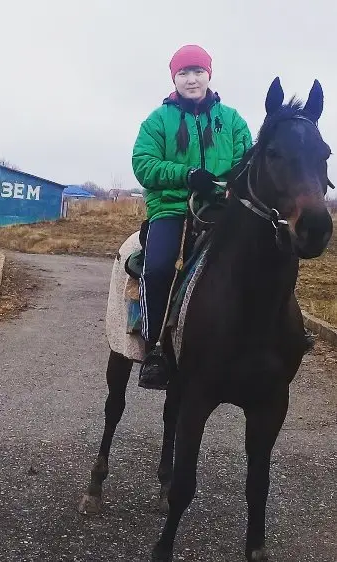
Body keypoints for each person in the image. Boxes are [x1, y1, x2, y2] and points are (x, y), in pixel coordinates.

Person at [131, 44, 253, 390]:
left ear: (209, 75)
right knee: (158, 268)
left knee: (268, 251)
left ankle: (274, 332)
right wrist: (185, 175)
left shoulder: (231, 120)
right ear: (174, 78)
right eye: (184, 72)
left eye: (198, 71)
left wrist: (230, 185)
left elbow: (247, 160)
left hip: (221, 207)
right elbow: (144, 164)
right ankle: (154, 347)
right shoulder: (157, 120)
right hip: (170, 208)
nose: (191, 79)